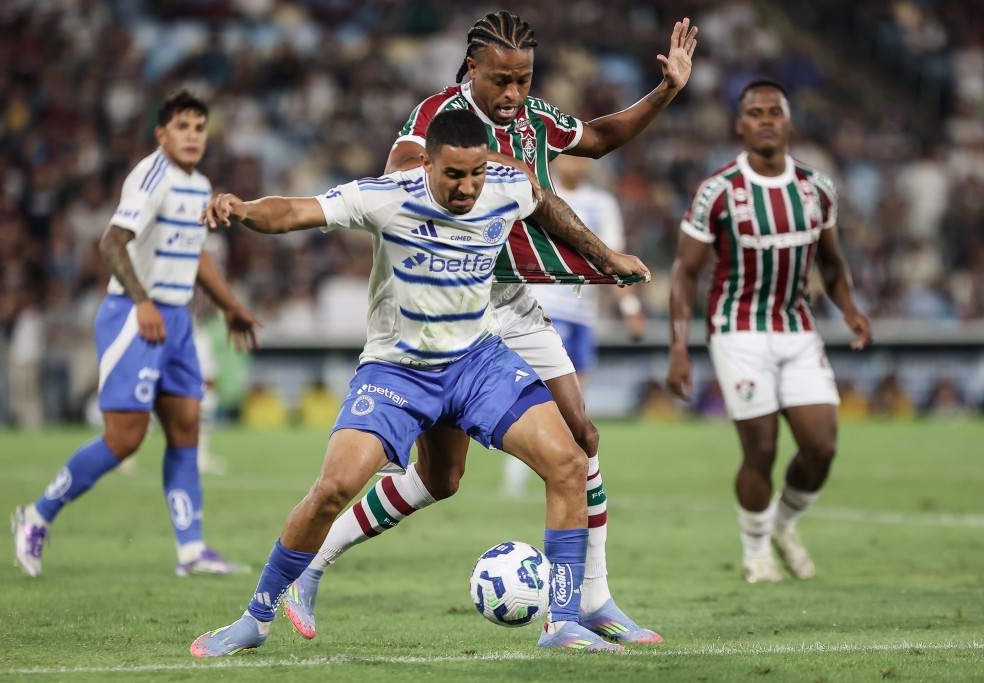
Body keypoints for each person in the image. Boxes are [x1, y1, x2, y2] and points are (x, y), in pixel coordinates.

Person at [282, 10, 697, 645]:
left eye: (523, 80)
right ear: (471, 68)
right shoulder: (438, 116)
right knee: (441, 478)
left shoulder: (533, 119)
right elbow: (401, 168)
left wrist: (666, 90)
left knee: (581, 438)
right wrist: (483, 167)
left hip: (513, 300)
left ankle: (592, 601)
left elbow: (599, 137)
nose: (512, 93)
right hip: (445, 309)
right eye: (501, 80)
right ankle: (312, 563)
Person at [189, 109, 648, 656]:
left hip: (477, 363)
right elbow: (293, 211)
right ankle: (256, 617)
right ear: (427, 164)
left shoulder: (506, 186)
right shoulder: (387, 196)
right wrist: (243, 210)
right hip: (398, 371)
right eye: (454, 175)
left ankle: (564, 623)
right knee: (333, 488)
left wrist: (606, 257)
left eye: (476, 173)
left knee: (570, 461)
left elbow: (546, 204)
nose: (468, 187)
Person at [11, 91, 260, 578]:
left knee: (186, 429)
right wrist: (142, 301)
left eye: (199, 127)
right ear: (161, 134)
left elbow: (197, 254)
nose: (192, 135)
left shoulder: (200, 185)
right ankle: (36, 516)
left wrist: (231, 307)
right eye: (182, 126)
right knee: (124, 439)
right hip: (134, 314)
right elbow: (111, 242)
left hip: (177, 319)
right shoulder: (152, 176)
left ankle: (191, 551)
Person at [664, 79, 872, 583]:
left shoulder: (817, 188)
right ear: (739, 124)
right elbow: (685, 272)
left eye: (774, 111)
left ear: (788, 121)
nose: (765, 120)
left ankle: (782, 524)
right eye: (754, 112)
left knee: (821, 447)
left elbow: (831, 261)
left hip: (798, 327)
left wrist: (849, 307)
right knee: (761, 448)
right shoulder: (717, 191)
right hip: (738, 330)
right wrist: (679, 347)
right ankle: (755, 551)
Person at [503, 154, 647, 496]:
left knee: (576, 403)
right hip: (545, 308)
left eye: (583, 159)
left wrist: (630, 307)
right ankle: (518, 472)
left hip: (583, 314)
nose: (576, 165)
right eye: (569, 157)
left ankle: (563, 471)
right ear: (554, 158)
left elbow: (616, 254)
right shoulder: (536, 195)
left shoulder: (602, 203)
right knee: (543, 399)